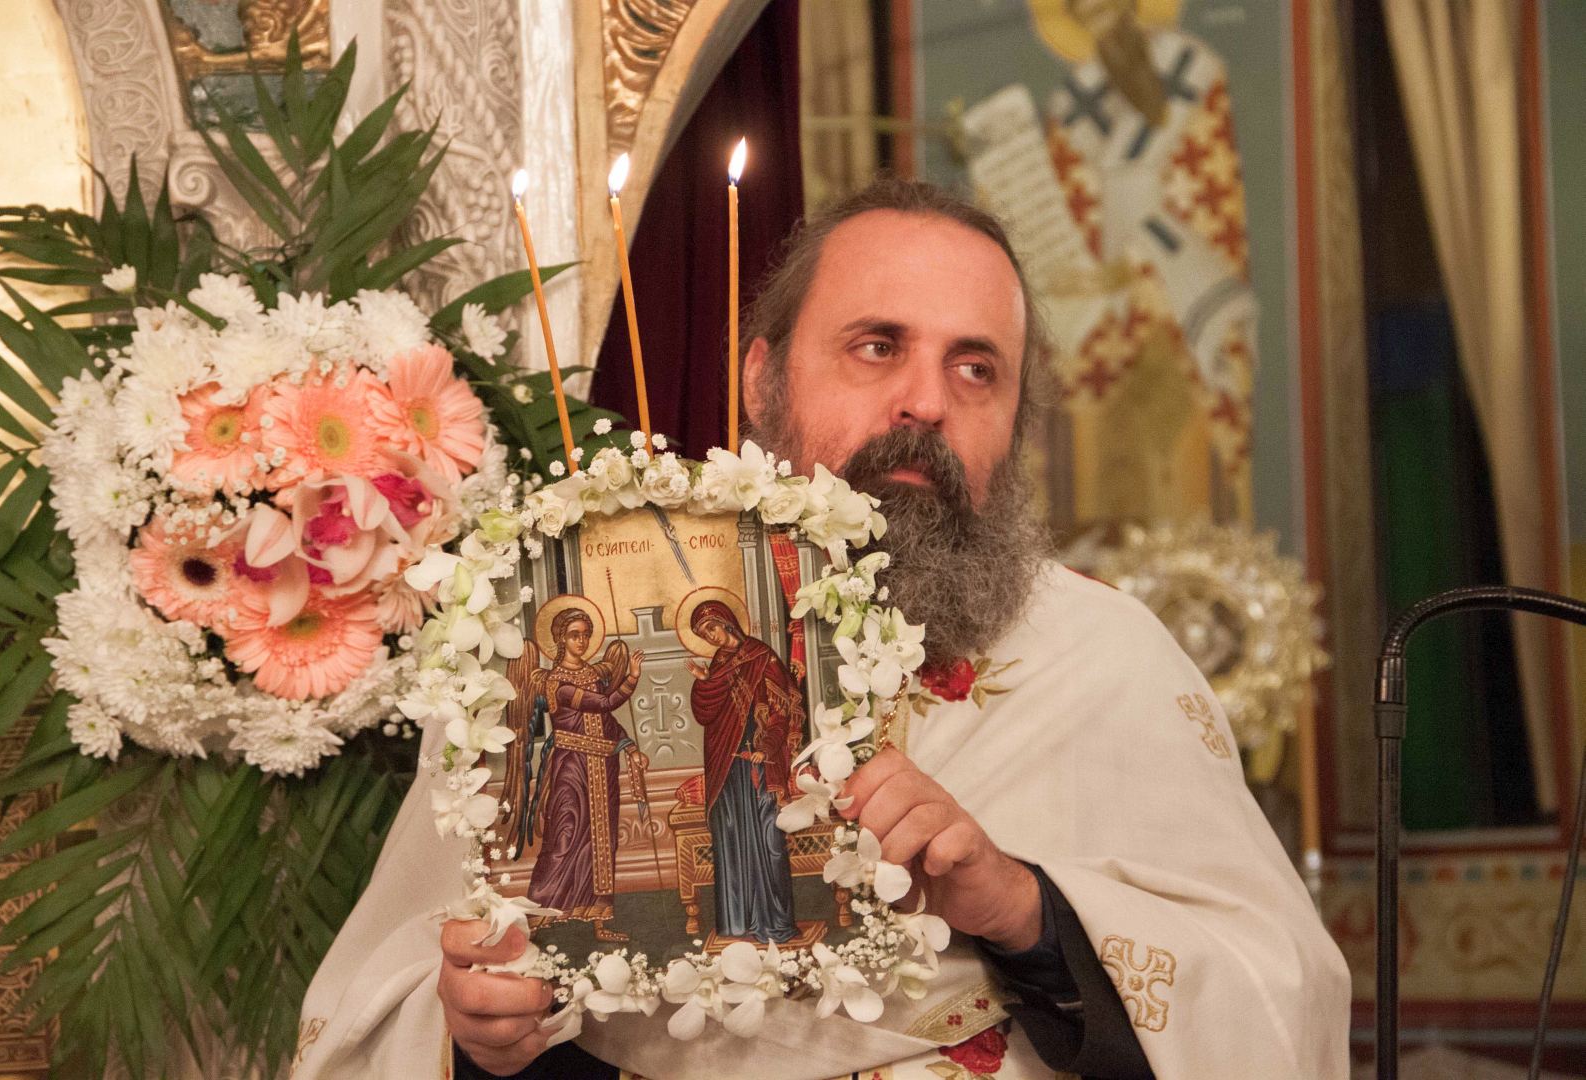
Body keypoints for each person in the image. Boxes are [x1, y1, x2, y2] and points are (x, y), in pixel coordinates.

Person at [292, 178, 1350, 1079]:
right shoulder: (558, 618)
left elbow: (1276, 988)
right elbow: (385, 995)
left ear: (1016, 421)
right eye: (877, 347)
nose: (925, 402)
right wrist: (480, 1034)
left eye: (975, 368)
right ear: (762, 380)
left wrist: (1022, 908)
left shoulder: (1105, 659)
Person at [521, 606, 649, 943]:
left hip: (603, 769)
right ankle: (537, 915)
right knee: (564, 838)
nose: (581, 641)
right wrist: (632, 677)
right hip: (572, 767)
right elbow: (602, 704)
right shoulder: (556, 681)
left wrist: (630, 747)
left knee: (601, 844)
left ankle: (599, 919)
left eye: (586, 635)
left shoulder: (593, 674)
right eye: (574, 635)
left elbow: (607, 721)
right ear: (561, 639)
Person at [684, 599, 804, 944]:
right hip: (727, 765)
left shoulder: (761, 657)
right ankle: (738, 923)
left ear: (726, 621)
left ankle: (775, 922)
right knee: (732, 837)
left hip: (761, 763)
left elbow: (784, 708)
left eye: (711, 627)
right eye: (703, 634)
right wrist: (704, 682)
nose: (710, 637)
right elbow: (706, 714)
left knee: (768, 838)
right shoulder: (718, 664)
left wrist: (767, 746)